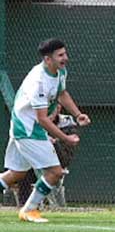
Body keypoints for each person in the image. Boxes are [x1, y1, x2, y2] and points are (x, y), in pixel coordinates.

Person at [0, 39, 91, 222]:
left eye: (65, 53)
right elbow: (42, 119)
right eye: (60, 55)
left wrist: (77, 113)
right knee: (55, 172)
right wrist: (65, 138)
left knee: (16, 174)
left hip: (26, 126)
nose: (65, 58)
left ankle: (28, 210)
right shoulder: (38, 81)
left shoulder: (60, 71)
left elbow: (62, 93)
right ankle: (29, 210)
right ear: (47, 59)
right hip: (27, 129)